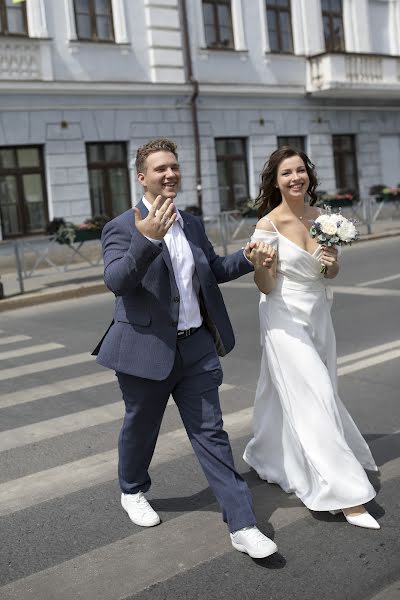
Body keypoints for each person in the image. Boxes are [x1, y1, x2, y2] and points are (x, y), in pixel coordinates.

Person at [93, 138, 278, 559]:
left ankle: (243, 524)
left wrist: (248, 256)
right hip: (144, 349)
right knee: (141, 427)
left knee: (212, 434)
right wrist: (147, 240)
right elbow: (116, 282)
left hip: (195, 348)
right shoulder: (121, 227)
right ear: (142, 177)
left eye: (174, 166)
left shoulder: (191, 224)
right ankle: (132, 489)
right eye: (160, 168)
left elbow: (211, 271)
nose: (170, 174)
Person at [243, 146, 380, 529]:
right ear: (276, 180)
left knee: (289, 392)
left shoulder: (324, 219)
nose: (295, 178)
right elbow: (265, 286)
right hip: (283, 316)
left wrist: (332, 265)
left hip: (318, 314)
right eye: (286, 173)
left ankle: (267, 453)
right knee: (315, 394)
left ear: (309, 175)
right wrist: (262, 266)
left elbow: (327, 275)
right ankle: (346, 494)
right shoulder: (266, 226)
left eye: (300, 170)